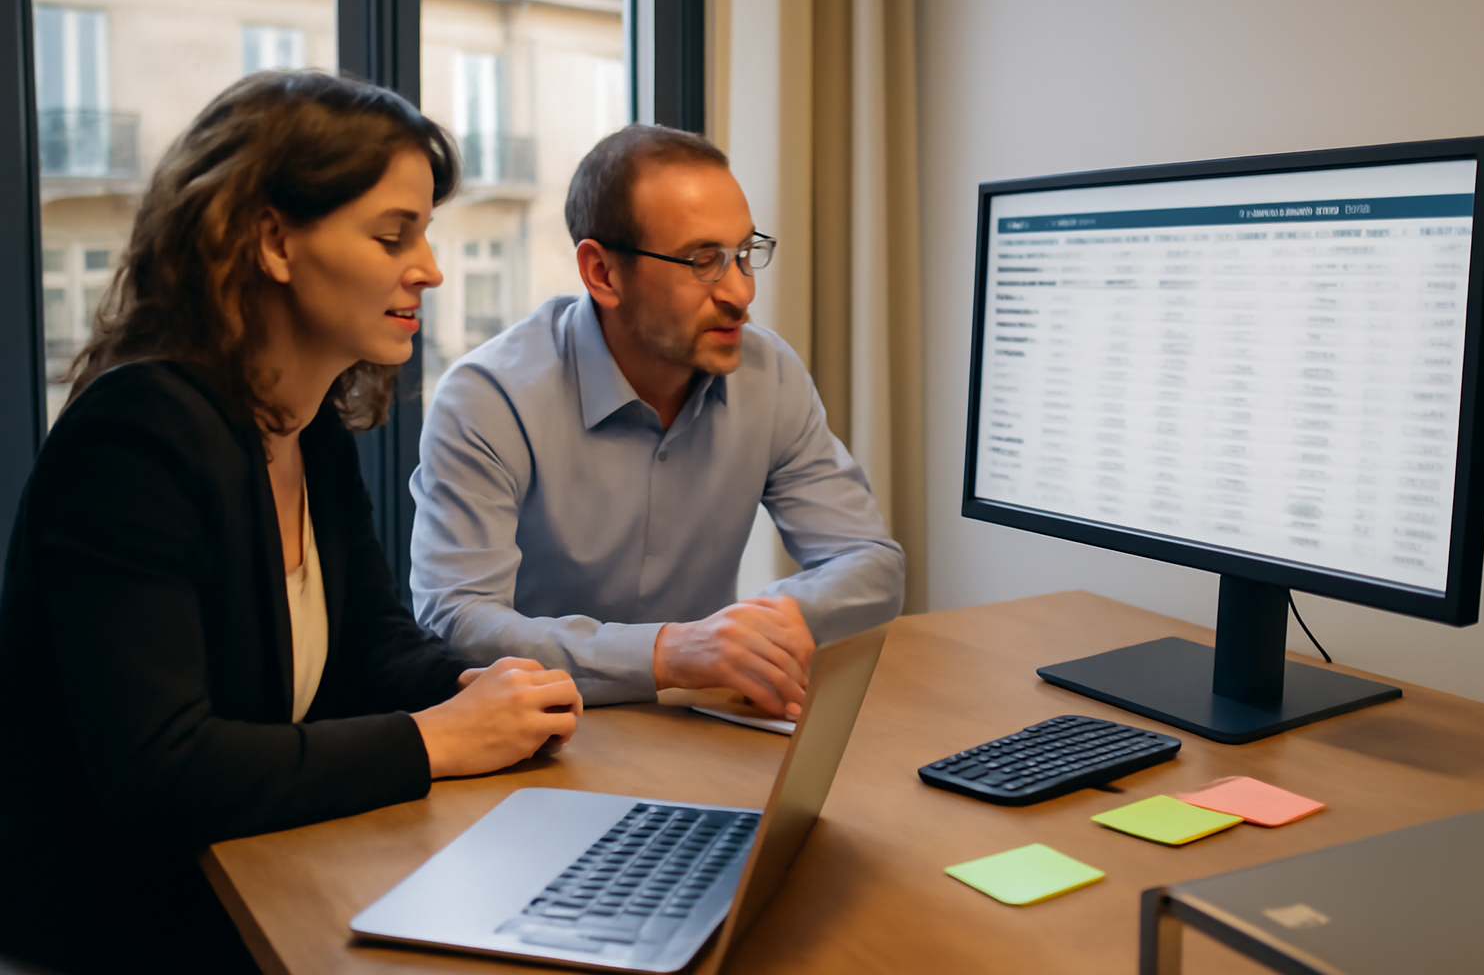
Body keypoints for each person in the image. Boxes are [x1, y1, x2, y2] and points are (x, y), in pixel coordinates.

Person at [0, 71, 583, 975]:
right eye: (396, 234)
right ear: (272, 238)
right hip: (125, 933)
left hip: (261, 882)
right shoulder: (132, 438)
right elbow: (163, 773)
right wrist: (440, 737)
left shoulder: (307, 430)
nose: (428, 267)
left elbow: (373, 649)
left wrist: (500, 686)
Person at [410, 124, 904, 718]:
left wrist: (768, 623)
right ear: (602, 274)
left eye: (745, 255)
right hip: (543, 733)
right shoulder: (489, 397)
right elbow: (458, 621)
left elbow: (871, 563)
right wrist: (670, 652)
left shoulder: (768, 372)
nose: (741, 293)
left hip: (707, 721)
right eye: (703, 261)